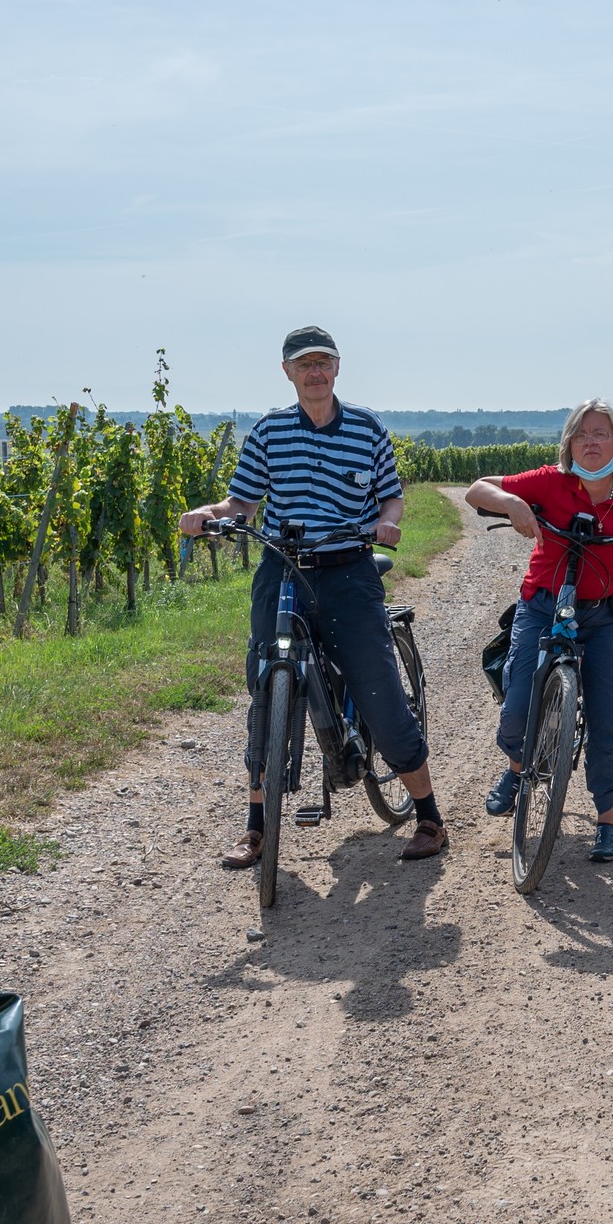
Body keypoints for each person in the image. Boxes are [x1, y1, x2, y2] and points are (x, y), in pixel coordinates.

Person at [178, 327, 448, 866]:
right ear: (288, 372)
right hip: (281, 568)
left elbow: (390, 498)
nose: (315, 372)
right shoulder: (270, 432)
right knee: (265, 688)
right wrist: (208, 515)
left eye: (324, 362)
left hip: (348, 570)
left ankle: (428, 816)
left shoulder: (368, 429)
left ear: (338, 368)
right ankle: (256, 827)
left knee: (378, 690)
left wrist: (387, 524)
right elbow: (243, 502)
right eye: (305, 364)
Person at [466, 402, 613, 863]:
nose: (592, 442)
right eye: (582, 435)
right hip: (544, 603)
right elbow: (476, 491)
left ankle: (607, 823)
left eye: (601, 434)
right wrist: (513, 503)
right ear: (568, 444)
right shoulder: (549, 481)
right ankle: (517, 769)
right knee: (519, 700)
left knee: (610, 720)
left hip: (609, 616)